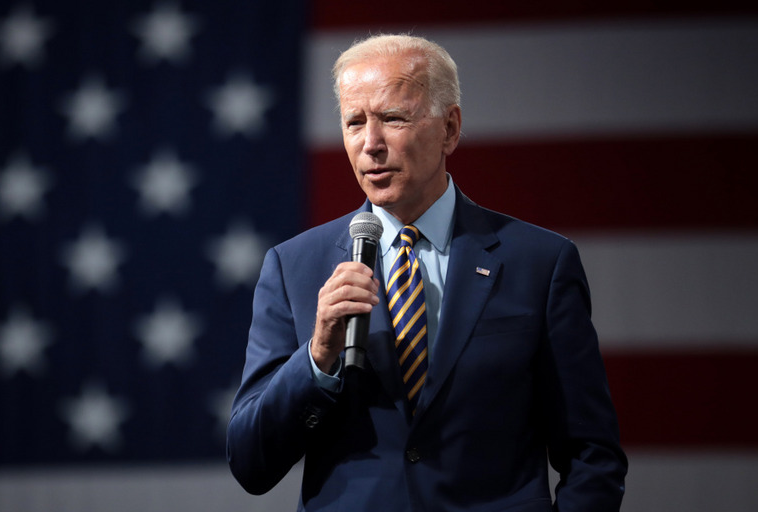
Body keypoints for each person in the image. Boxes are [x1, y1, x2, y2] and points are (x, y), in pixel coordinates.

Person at [226, 34, 627, 511]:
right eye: (354, 123)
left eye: (392, 118)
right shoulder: (294, 266)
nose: (371, 144)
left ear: (450, 129)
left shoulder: (540, 262)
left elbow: (591, 453)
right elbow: (251, 463)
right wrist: (317, 357)